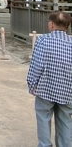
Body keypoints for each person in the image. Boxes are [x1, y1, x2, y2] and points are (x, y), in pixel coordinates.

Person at [27, 11, 72, 147]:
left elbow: (37, 65)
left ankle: (45, 145)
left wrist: (32, 84)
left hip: (46, 87)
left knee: (43, 117)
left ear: (51, 25)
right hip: (68, 89)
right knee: (66, 120)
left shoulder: (43, 40)